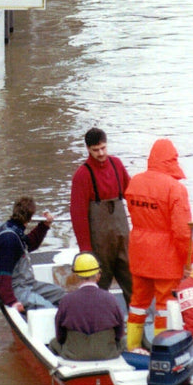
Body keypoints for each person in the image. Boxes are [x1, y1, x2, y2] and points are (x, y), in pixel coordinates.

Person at [124, 138, 193, 350]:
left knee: (137, 304)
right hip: (166, 260)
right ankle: (161, 351)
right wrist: (189, 259)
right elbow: (182, 232)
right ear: (172, 160)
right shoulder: (175, 189)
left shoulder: (135, 182)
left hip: (139, 254)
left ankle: (132, 347)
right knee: (165, 307)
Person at [70, 127, 133, 305]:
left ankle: (138, 320)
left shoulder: (117, 164)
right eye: (96, 150)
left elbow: (132, 196)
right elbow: (78, 215)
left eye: (103, 148)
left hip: (123, 238)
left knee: (133, 282)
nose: (101, 153)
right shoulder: (82, 175)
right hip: (99, 243)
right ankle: (98, 317)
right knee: (99, 286)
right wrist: (85, 250)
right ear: (88, 149)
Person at [0, 196, 66, 312]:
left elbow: (29, 244)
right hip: (12, 288)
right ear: (31, 217)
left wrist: (45, 225)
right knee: (48, 308)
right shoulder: (9, 240)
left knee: (61, 295)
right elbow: (2, 278)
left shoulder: (12, 228)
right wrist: (12, 302)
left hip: (25, 283)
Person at [49, 252, 125, 360]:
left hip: (74, 353)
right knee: (124, 341)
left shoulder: (66, 300)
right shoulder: (111, 299)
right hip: (107, 353)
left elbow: (60, 335)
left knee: (53, 343)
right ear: (98, 275)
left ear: (76, 276)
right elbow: (119, 332)